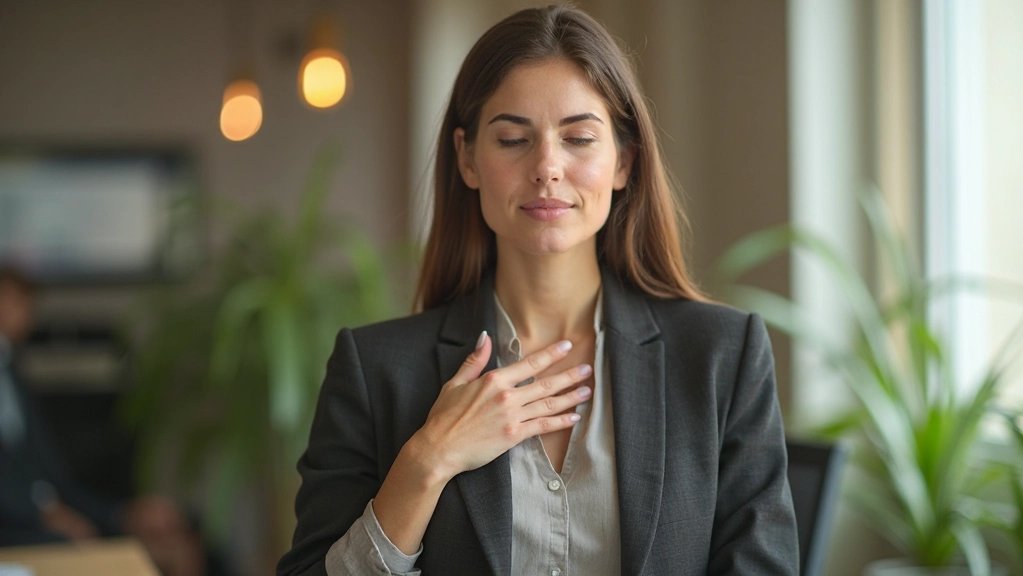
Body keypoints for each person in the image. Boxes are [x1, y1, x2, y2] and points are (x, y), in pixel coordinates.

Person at [278, 5, 798, 576]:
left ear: (623, 161)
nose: (547, 167)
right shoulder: (373, 369)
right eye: (512, 139)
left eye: (579, 138)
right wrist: (428, 460)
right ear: (467, 158)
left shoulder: (723, 357)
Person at [0, 266, 206, 576]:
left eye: (26, 302)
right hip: (18, 529)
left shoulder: (12, 372)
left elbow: (55, 480)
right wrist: (42, 514)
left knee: (177, 543)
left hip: (50, 515)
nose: (22, 313)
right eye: (11, 300)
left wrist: (122, 513)